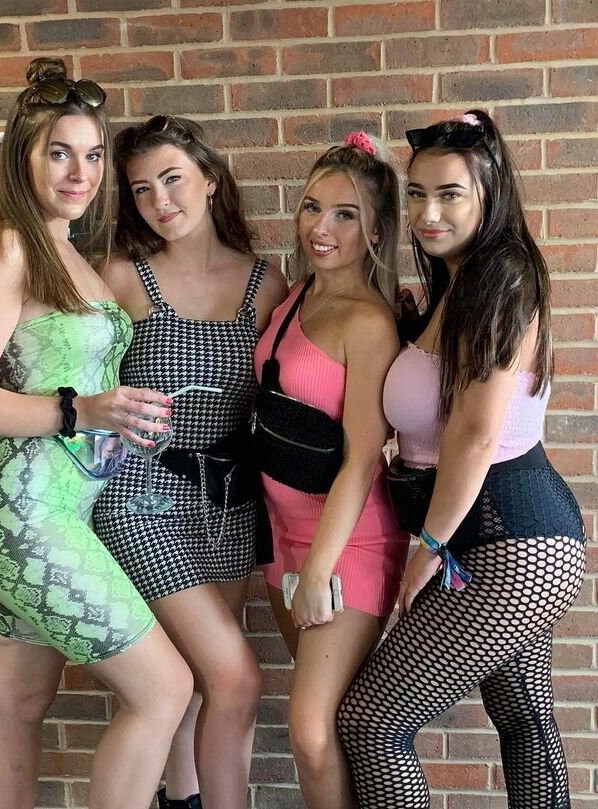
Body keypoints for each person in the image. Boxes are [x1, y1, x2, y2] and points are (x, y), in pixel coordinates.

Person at [0, 58, 193, 809]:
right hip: (21, 511)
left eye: (93, 154)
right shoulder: (8, 248)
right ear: (24, 156)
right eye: (60, 153)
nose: (81, 172)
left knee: (18, 703)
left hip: (55, 508)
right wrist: (81, 411)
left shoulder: (64, 245)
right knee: (165, 689)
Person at [336, 110, 587, 808]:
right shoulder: (459, 282)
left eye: (450, 194)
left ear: (489, 194)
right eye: (417, 193)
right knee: (524, 721)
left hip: (506, 539)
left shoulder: (501, 277)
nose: (428, 213)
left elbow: (475, 433)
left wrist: (430, 546)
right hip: (507, 537)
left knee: (372, 722)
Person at [91, 115, 287, 809]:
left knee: (203, 680)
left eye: (172, 179)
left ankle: (184, 799)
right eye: (142, 189)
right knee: (232, 677)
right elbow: (68, 370)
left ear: (209, 179)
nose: (160, 200)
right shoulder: (123, 277)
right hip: (141, 496)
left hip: (229, 502)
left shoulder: (266, 283)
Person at [254, 132, 406, 809]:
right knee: (332, 728)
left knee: (311, 732)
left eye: (345, 214)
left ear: (375, 230)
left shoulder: (369, 322)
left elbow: (363, 456)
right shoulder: (294, 297)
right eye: (313, 207)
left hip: (347, 545)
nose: (321, 227)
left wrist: (318, 569)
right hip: (281, 540)